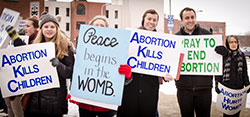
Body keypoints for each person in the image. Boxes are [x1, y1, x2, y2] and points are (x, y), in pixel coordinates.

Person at [6, 12, 75, 117]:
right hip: (35, 101)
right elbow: (26, 56)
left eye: (52, 26)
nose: (49, 29)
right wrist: (16, 40)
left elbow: (70, 73)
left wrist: (59, 65)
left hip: (54, 103)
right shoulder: (35, 45)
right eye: (46, 26)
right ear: (41, 29)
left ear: (57, 29)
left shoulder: (66, 47)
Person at [67, 15, 131, 117]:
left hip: (106, 105)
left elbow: (123, 80)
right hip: (85, 103)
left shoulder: (117, 50)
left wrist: (127, 75)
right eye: (97, 25)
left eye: (102, 25)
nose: (100, 27)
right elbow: (76, 71)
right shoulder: (84, 49)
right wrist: (74, 89)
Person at [117, 9, 161, 117]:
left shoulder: (162, 42)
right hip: (130, 87)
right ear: (143, 20)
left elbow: (165, 65)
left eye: (154, 20)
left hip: (150, 89)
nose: (151, 22)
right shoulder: (130, 36)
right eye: (149, 19)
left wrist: (166, 75)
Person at [175, 7, 212, 117]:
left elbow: (215, 61)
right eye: (187, 18)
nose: (190, 20)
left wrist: (223, 54)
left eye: (192, 17)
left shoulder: (207, 36)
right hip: (184, 89)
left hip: (204, 88)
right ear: (182, 20)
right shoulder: (176, 39)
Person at [215, 35, 250, 117]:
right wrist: (217, 84)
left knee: (236, 113)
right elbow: (218, 73)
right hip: (226, 90)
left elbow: (244, 72)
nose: (233, 44)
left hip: (238, 90)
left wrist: (247, 84)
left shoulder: (241, 55)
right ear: (227, 43)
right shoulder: (224, 55)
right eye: (231, 42)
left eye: (235, 42)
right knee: (227, 114)